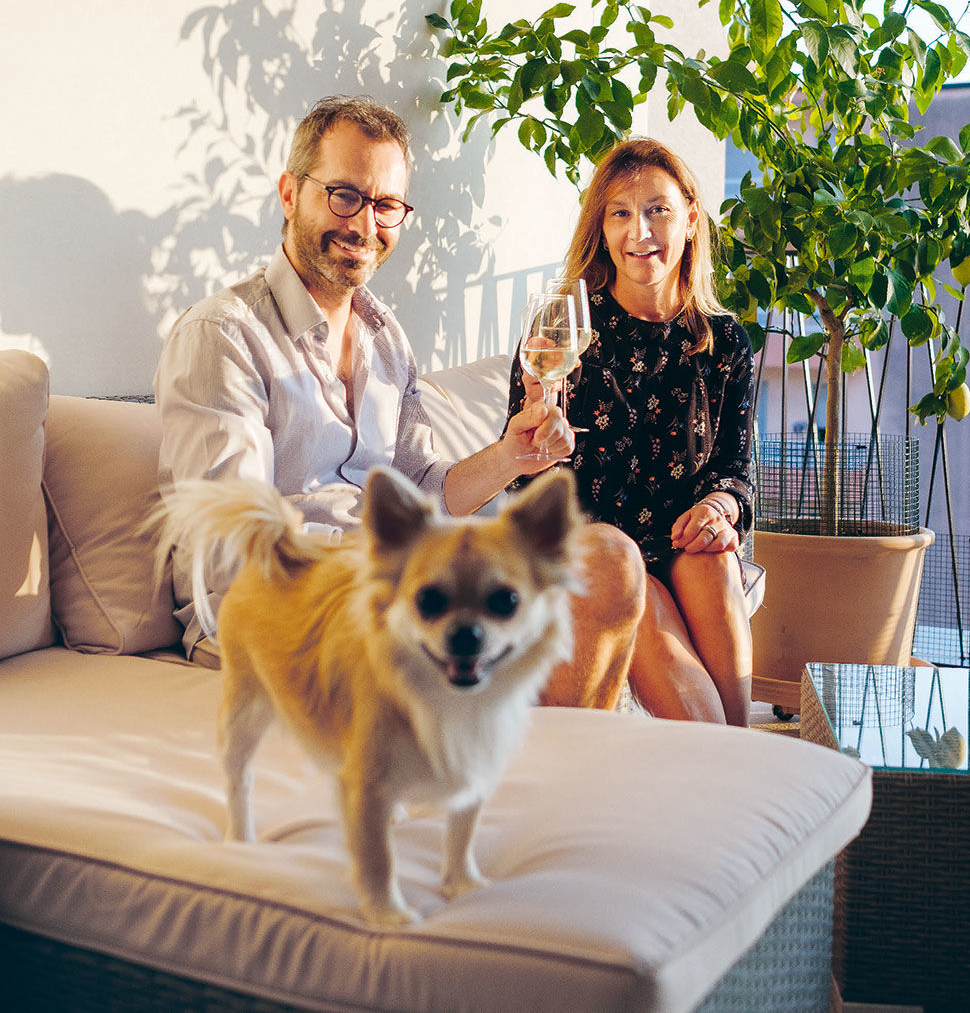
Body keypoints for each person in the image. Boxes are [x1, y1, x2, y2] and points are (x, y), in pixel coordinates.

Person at [155, 94, 644, 707]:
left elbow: (425, 490)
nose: (364, 225)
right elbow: (234, 550)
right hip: (278, 612)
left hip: (392, 591)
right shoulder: (224, 337)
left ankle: (554, 774)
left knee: (610, 560)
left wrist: (512, 457)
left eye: (385, 205)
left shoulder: (385, 338)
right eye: (345, 195)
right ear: (289, 193)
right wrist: (399, 558)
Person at [507, 137, 756, 725]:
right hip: (601, 548)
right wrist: (538, 429)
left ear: (691, 219)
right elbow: (526, 481)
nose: (638, 230)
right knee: (635, 587)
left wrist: (720, 507)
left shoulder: (725, 344)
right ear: (602, 226)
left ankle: (741, 755)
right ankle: (733, 763)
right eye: (620, 212)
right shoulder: (564, 329)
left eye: (657, 210)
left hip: (679, 541)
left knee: (716, 556)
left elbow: (735, 469)